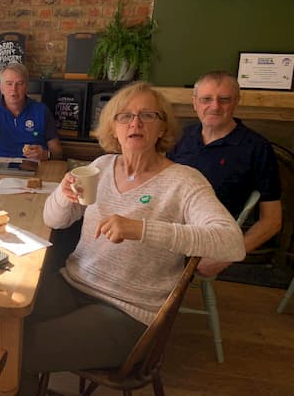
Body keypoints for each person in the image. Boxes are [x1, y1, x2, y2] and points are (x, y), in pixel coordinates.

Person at [17, 82, 245, 394]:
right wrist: (63, 195)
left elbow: (232, 242)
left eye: (147, 115)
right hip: (73, 283)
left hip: (128, 310)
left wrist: (141, 229)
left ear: (162, 125)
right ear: (113, 125)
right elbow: (52, 220)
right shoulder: (99, 167)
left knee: (19, 348)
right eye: (125, 116)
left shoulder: (184, 182)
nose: (135, 123)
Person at [168, 71, 282, 277]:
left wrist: (229, 254)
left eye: (224, 100)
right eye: (206, 99)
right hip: (166, 224)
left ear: (236, 102)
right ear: (195, 102)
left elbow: (272, 220)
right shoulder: (181, 136)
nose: (214, 106)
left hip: (203, 239)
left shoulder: (257, 148)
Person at [0, 63, 62, 160]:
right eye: (9, 84)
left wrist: (45, 154)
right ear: (2, 88)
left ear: (26, 87)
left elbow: (58, 152)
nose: (14, 89)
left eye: (19, 84)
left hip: (37, 167)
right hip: (1, 168)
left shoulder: (42, 111)